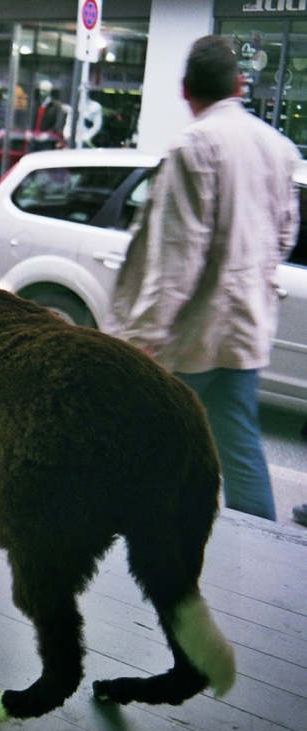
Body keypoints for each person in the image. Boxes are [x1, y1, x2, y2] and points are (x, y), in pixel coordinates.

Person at [108, 35, 301, 522]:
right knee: (239, 447)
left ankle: (151, 536)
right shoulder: (278, 147)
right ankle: (254, 543)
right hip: (245, 329)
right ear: (239, 86)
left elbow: (177, 257)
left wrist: (143, 336)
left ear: (184, 90)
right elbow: (284, 236)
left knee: (157, 439)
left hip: (192, 334)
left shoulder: (193, 146)